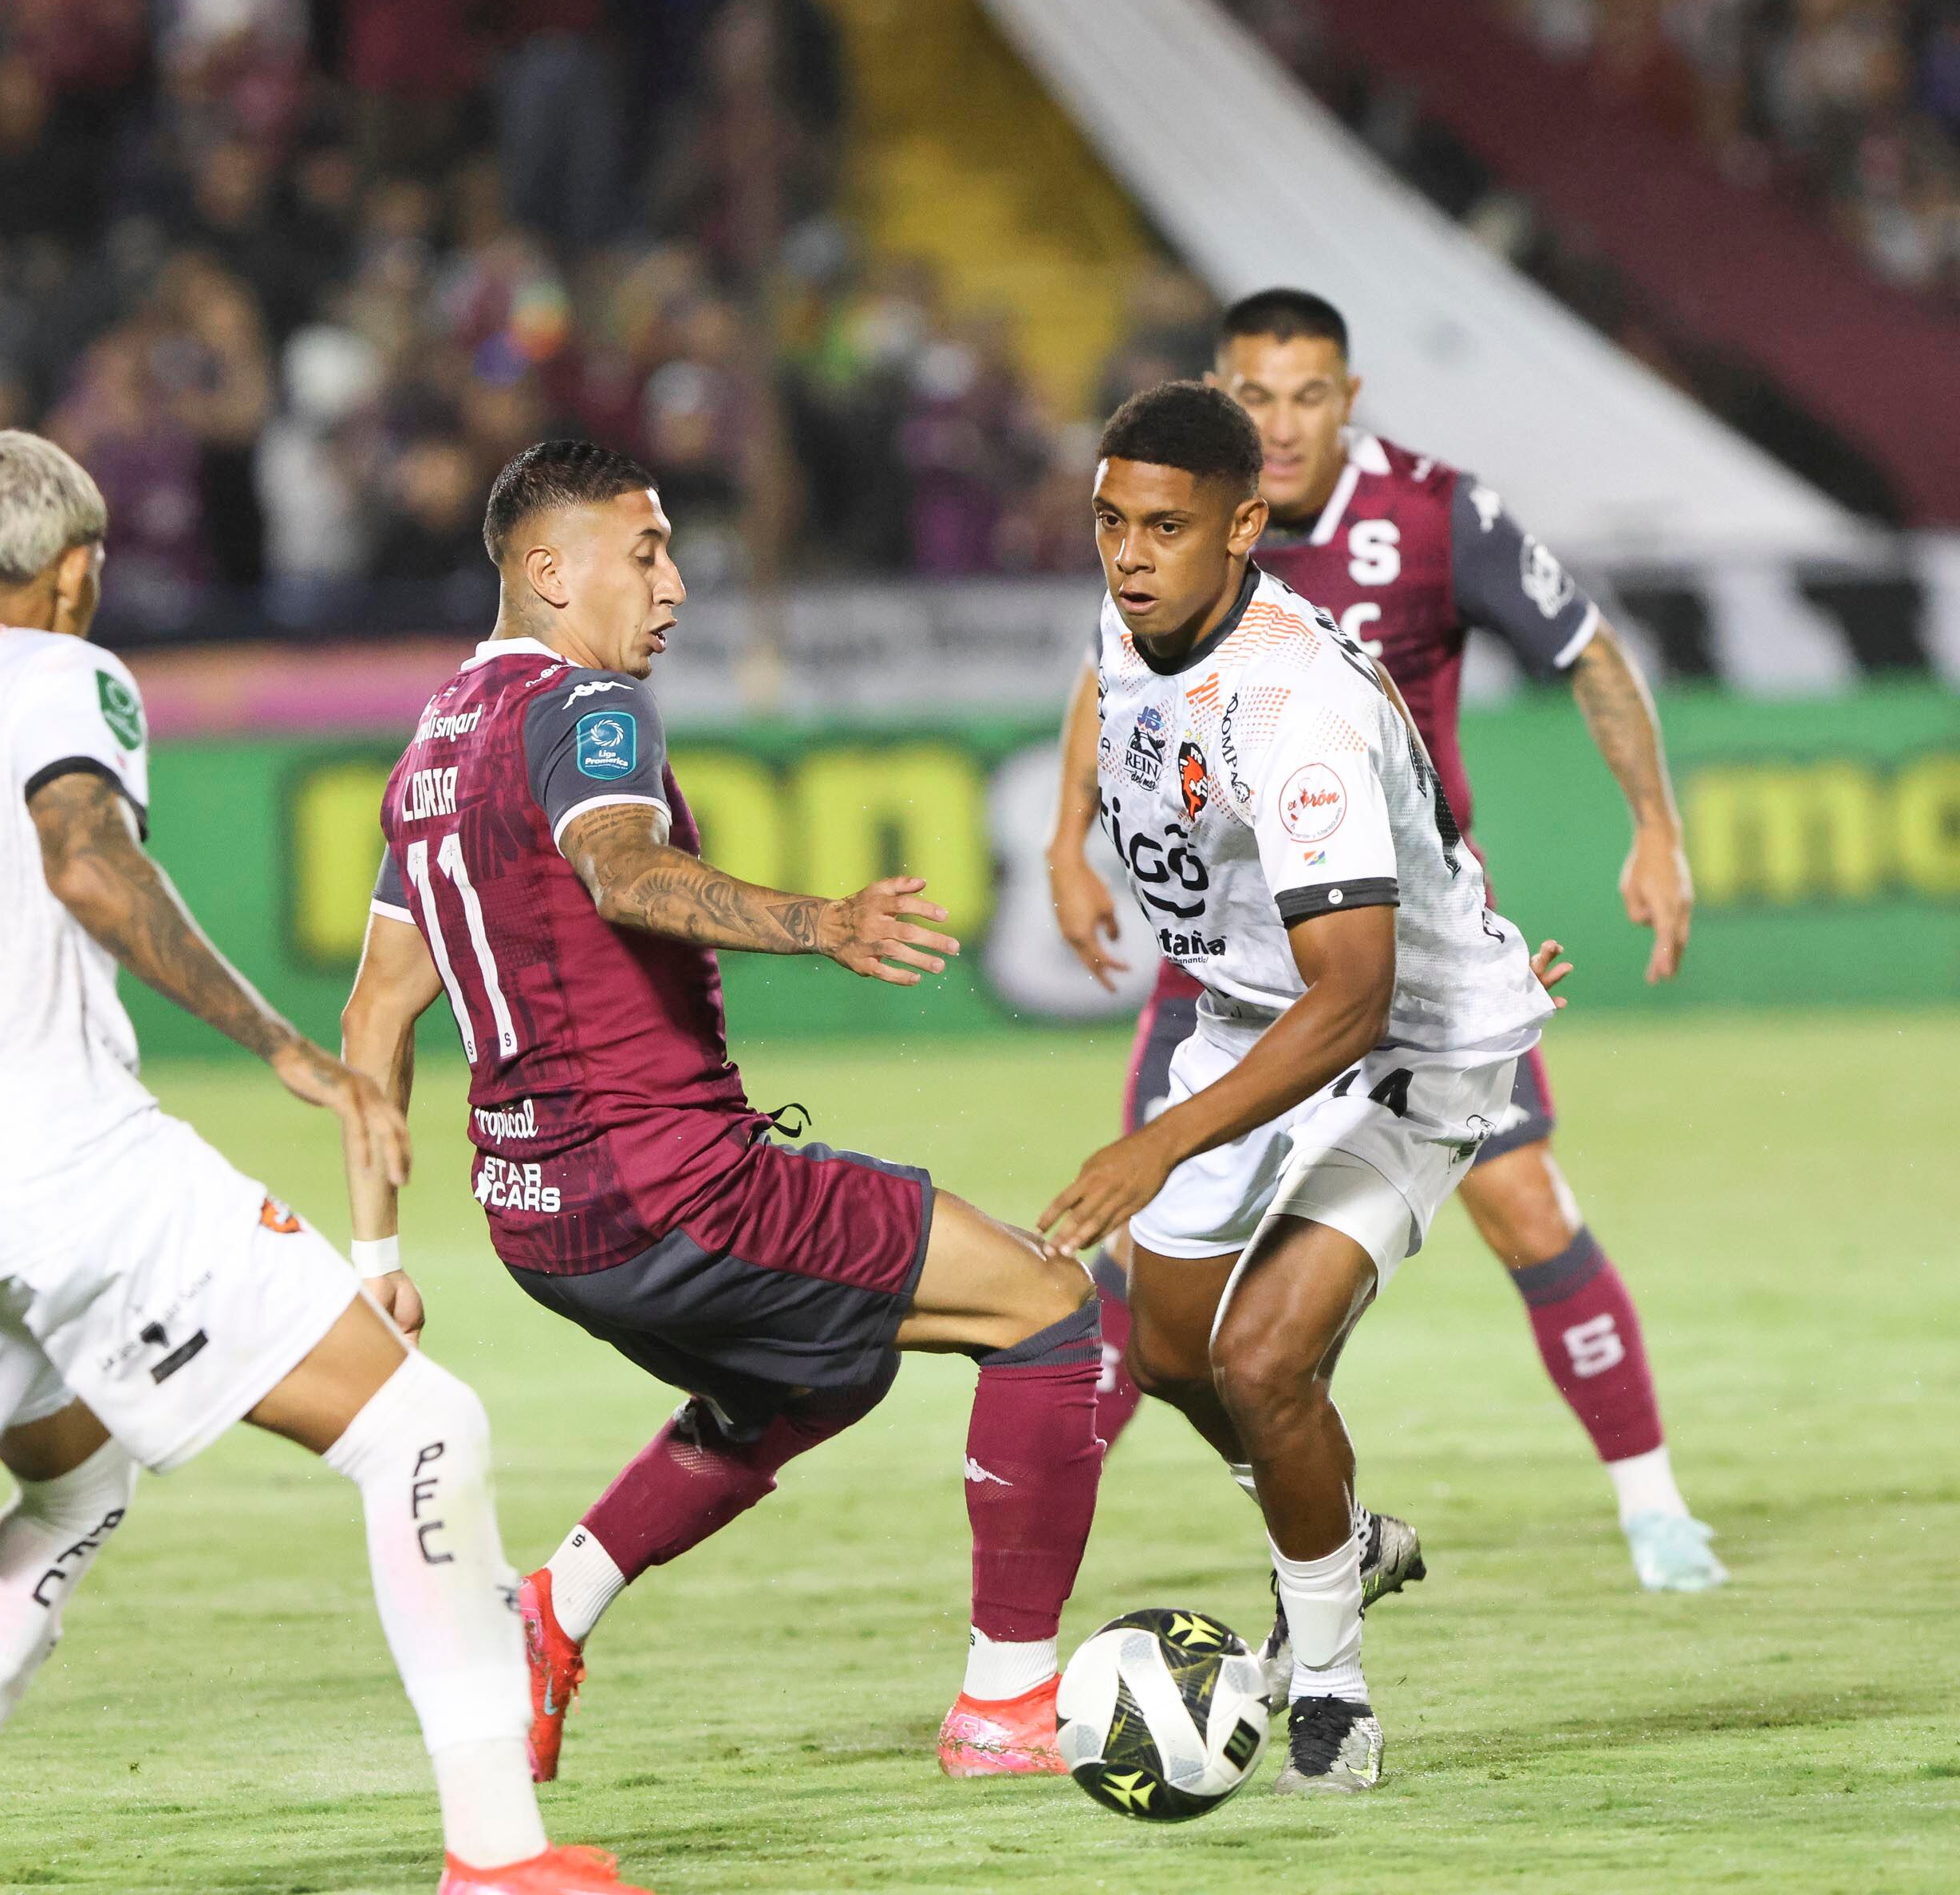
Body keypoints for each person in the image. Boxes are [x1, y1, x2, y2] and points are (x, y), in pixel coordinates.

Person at [0, 432, 649, 1895]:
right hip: (59, 1170)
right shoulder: (61, 673)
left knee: (66, 1491)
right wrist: (281, 1045)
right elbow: (87, 858)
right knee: (423, 1431)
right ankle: (498, 1855)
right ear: (76, 574)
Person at [338, 441, 1109, 1785]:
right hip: (674, 1190)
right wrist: (825, 922)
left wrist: (377, 1260)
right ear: (550, 571)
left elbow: (372, 1016)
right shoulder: (588, 707)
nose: (676, 586)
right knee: (1047, 1309)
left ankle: (547, 1613)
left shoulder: (435, 745)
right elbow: (623, 872)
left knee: (819, 1370)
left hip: (537, 1223)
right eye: (645, 555)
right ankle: (1006, 1709)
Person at [1044, 290, 1724, 1595]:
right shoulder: (1167, 523)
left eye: (1309, 395)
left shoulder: (1433, 515)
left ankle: (1653, 1506)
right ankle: (1134, 1551)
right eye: (1257, 396)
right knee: (1153, 1286)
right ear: (1223, 398)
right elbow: (1108, 672)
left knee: (1523, 1205)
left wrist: (1656, 827)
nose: (1283, 423)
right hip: (1223, 968)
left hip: (1402, 954)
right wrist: (1068, 841)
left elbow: (1590, 652)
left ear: (1349, 399)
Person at [1036, 381, 1568, 1794]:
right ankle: (1338, 1531)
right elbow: (1107, 689)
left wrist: (1156, 1145)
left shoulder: (1294, 705)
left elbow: (1353, 1000)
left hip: (1409, 1044)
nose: (1128, 555)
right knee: (1167, 1358)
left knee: (1263, 1361)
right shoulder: (1136, 614)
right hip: (1246, 1020)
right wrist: (1065, 837)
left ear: (1244, 527)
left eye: (1164, 528)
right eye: (1109, 522)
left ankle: (1329, 1694)